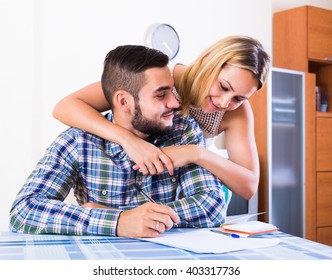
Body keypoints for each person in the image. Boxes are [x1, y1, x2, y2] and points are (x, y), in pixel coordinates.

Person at [9, 45, 226, 238]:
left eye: (172, 91)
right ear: (124, 101)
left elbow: (213, 206)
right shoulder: (79, 141)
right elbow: (24, 211)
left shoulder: (183, 131)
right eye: (161, 95)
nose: (174, 103)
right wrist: (119, 223)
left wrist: (123, 216)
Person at [52, 35, 271, 200]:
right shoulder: (164, 79)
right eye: (223, 87)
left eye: (239, 98)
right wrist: (129, 141)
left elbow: (249, 186)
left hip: (189, 190)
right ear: (208, 63)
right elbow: (65, 107)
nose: (225, 103)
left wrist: (196, 153)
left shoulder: (236, 112)